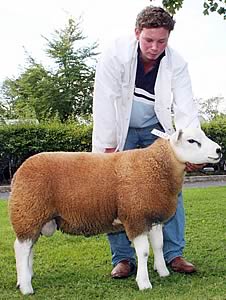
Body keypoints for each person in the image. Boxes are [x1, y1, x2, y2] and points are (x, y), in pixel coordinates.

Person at [92, 5, 203, 279]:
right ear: (137, 33)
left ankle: (173, 254)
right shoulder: (115, 55)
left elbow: (186, 107)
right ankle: (123, 259)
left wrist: (191, 148)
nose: (154, 47)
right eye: (149, 40)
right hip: (121, 128)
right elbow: (104, 102)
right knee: (115, 193)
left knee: (170, 187)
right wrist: (108, 147)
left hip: (157, 128)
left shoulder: (177, 63)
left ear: (169, 39)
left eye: (161, 41)